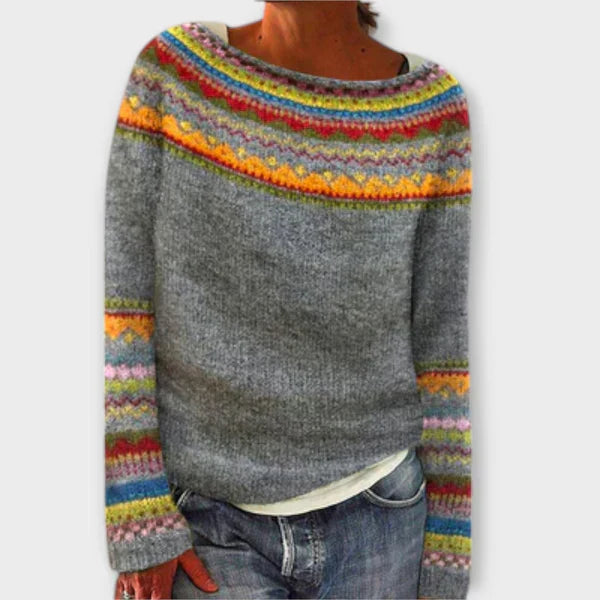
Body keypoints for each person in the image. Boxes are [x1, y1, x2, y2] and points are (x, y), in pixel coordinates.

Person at [104, 2, 472, 599]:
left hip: (381, 515)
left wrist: (447, 551)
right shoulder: (177, 74)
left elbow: (440, 336)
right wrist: (138, 511)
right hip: (207, 521)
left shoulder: (429, 110)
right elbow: (127, 307)